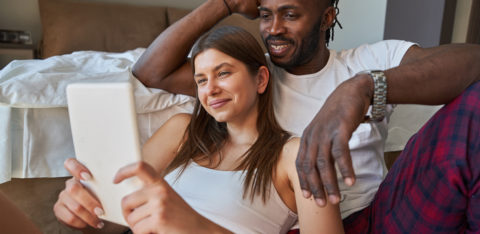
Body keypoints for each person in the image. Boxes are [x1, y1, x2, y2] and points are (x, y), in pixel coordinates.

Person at [131, 0, 480, 232]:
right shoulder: (248, 79)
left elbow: (472, 62)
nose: (273, 29)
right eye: (266, 15)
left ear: (327, 17)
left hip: (376, 216)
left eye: (290, 14)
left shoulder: (368, 61)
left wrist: (361, 88)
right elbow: (151, 72)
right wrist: (224, 3)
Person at [54, 26, 345, 233]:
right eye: (201, 80)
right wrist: (86, 211)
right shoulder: (182, 131)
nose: (211, 89)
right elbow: (113, 222)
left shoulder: (294, 154)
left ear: (260, 80)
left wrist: (193, 225)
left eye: (223, 73)